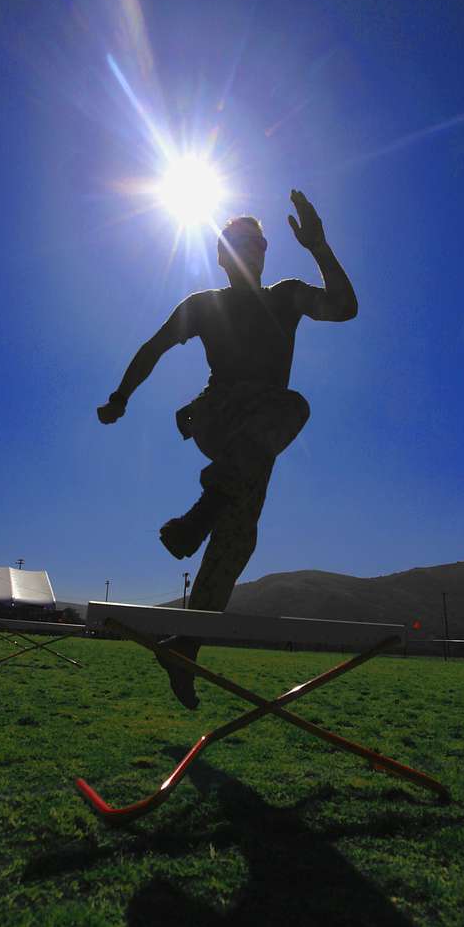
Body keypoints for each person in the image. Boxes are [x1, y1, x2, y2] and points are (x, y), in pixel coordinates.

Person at [97, 189, 358, 708]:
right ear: (220, 254)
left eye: (258, 242)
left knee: (239, 539)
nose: (250, 249)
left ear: (266, 252)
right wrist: (120, 396)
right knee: (295, 406)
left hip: (253, 439)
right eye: (238, 242)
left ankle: (185, 646)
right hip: (218, 417)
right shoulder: (203, 305)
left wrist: (320, 247)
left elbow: (345, 308)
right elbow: (153, 349)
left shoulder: (286, 296)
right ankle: (208, 505)